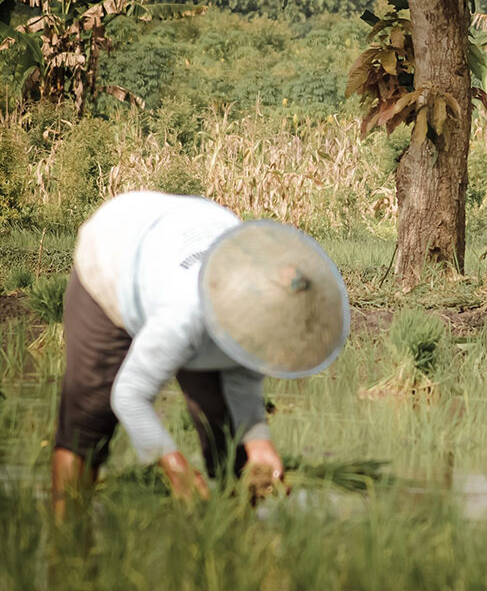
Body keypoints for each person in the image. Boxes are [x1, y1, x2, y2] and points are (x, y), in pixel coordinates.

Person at [52, 191, 350, 520]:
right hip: (114, 255)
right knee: (89, 417)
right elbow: (129, 396)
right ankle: (67, 541)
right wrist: (174, 466)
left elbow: (242, 379)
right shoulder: (185, 314)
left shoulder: (261, 313)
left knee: (227, 433)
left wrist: (259, 443)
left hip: (186, 229)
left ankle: (230, 544)